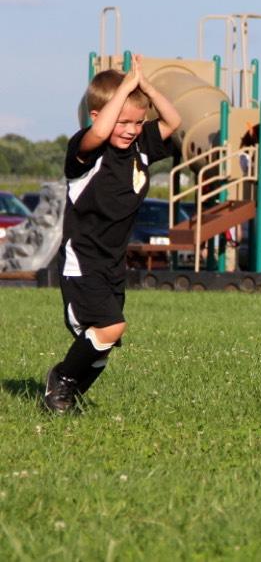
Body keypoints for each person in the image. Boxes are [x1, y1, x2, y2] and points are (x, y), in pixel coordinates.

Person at [43, 55, 181, 413]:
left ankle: (66, 396)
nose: (131, 129)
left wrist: (144, 87)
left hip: (112, 263)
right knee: (110, 327)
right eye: (123, 121)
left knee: (103, 348)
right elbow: (102, 132)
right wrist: (122, 88)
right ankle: (60, 382)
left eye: (138, 122)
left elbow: (173, 120)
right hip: (83, 259)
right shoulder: (85, 152)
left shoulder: (141, 147)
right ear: (97, 118)